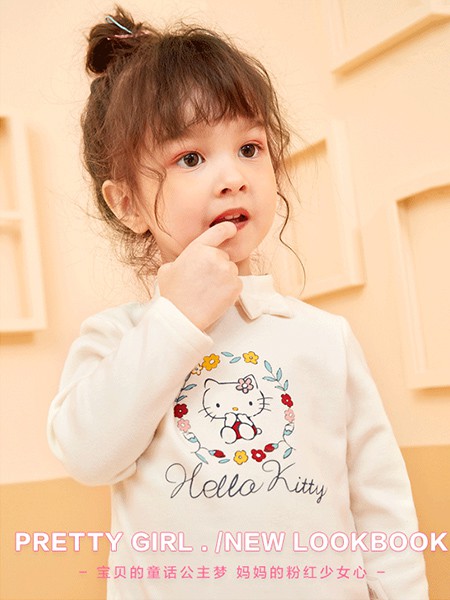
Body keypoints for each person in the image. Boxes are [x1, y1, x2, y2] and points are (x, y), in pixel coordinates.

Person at [47, 7, 428, 600]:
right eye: (191, 159)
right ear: (126, 203)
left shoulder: (324, 337)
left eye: (250, 147)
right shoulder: (120, 339)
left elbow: (382, 510)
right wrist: (175, 320)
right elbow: (88, 456)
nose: (233, 177)